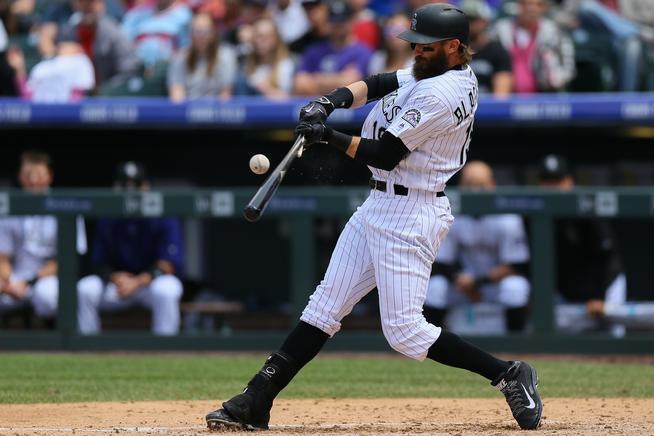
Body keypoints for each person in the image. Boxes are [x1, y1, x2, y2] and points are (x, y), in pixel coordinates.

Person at [206, 4, 542, 432]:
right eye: (415, 45)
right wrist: (329, 101)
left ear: (454, 47)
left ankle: (508, 373)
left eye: (426, 47)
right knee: (325, 306)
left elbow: (385, 151)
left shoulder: (444, 93)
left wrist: (327, 134)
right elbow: (381, 82)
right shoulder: (433, 70)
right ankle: (255, 400)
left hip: (412, 211)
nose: (416, 52)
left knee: (405, 332)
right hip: (379, 204)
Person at [77, 161, 184, 336]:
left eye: (136, 186)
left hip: (149, 285)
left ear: (146, 187)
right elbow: (98, 262)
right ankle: (89, 348)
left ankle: (165, 349)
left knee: (167, 289)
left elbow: (169, 264)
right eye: (124, 186)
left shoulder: (163, 214)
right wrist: (113, 276)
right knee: (85, 289)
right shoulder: (108, 217)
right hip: (118, 287)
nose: (130, 191)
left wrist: (137, 281)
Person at [423, 161, 531, 332]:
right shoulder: (449, 213)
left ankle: (517, 343)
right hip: (462, 284)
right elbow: (441, 263)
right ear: (461, 186)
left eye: (480, 185)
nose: (475, 190)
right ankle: (430, 345)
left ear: (492, 185)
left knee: (515, 288)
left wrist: (479, 282)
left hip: (495, 284)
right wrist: (462, 281)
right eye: (469, 184)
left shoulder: (508, 217)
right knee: (435, 288)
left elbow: (516, 265)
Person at [537, 154, 627, 336]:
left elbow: (605, 256)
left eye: (557, 180)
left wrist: (599, 297)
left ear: (569, 181)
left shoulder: (586, 209)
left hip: (605, 286)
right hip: (568, 293)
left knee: (613, 336)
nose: (552, 186)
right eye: (547, 180)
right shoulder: (534, 215)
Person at [0, 150, 58, 322]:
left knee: (47, 297)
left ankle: (56, 345)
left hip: (46, 280)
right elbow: (3, 257)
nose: (33, 181)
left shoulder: (64, 205)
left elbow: (65, 261)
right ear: (20, 177)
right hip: (15, 279)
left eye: (39, 175)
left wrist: (29, 283)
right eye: (28, 175)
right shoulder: (9, 208)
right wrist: (8, 283)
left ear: (49, 177)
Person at [493, 0, 575, 93]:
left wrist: (554, 78)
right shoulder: (500, 30)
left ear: (544, 8)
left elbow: (568, 67)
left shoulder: (555, 32)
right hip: (506, 94)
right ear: (518, 5)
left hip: (544, 95)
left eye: (538, 5)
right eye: (526, 4)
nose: (531, 8)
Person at [293, 0, 373, 96]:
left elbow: (351, 83)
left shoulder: (363, 51)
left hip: (351, 109)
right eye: (334, 21)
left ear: (351, 21)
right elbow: (300, 84)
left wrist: (315, 79)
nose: (338, 26)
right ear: (327, 22)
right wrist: (339, 79)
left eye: (342, 21)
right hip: (318, 107)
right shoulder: (313, 51)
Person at [57, 0, 139, 87]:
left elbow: (129, 69)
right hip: (76, 94)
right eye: (81, 1)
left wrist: (105, 89)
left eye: (91, 2)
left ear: (101, 4)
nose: (86, 6)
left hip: (107, 94)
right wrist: (59, 54)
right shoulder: (68, 32)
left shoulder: (113, 32)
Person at [167, 12, 237, 101]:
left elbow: (225, 93)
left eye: (205, 31)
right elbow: (177, 94)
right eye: (197, 31)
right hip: (187, 109)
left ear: (213, 33)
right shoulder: (180, 57)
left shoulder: (226, 55)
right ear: (190, 34)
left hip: (217, 111)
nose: (201, 36)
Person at [460, 0, 512, 95]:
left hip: (487, 106)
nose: (468, 24)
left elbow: (501, 94)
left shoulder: (497, 50)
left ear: (485, 21)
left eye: (473, 19)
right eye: (465, 19)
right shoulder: (453, 49)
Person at [234, 17, 295, 98]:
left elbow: (287, 99)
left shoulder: (286, 65)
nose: (260, 41)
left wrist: (265, 88)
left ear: (275, 39)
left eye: (265, 37)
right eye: (257, 36)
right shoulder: (246, 64)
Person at [121, 0, 192, 67]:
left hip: (169, 71)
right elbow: (123, 47)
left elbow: (185, 49)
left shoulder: (183, 15)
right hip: (137, 69)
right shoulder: (134, 15)